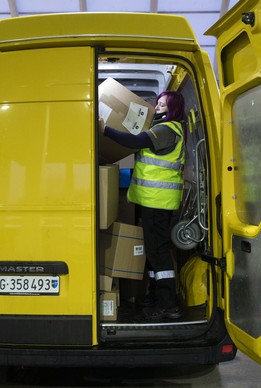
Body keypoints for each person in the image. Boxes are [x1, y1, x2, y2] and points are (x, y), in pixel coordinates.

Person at [99, 91, 186, 321]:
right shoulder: (163, 127)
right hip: (153, 201)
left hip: (158, 202)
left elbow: (136, 141)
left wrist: (105, 130)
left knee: (158, 253)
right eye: (157, 103)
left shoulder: (168, 129)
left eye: (162, 104)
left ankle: (168, 305)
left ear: (173, 107)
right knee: (154, 250)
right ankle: (156, 297)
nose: (157, 107)